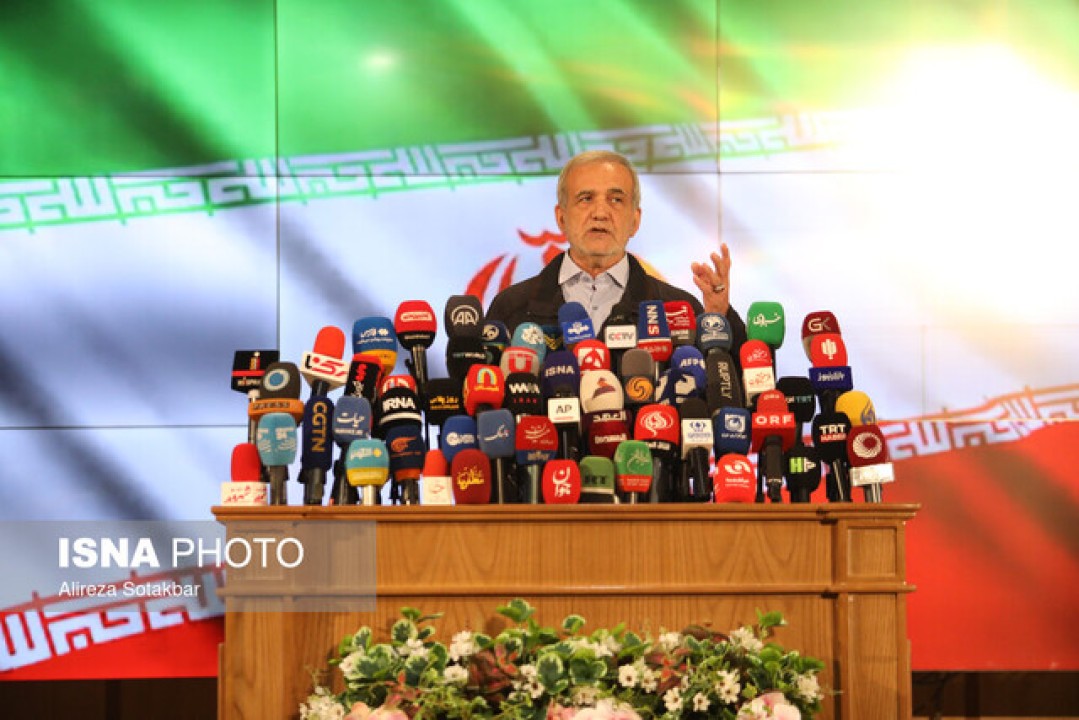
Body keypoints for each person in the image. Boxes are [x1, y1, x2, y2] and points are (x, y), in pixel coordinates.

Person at [484, 149, 747, 350]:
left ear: (635, 221)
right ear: (561, 218)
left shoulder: (678, 310)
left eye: (616, 200)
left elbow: (728, 389)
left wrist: (719, 318)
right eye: (586, 199)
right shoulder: (511, 307)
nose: (600, 213)